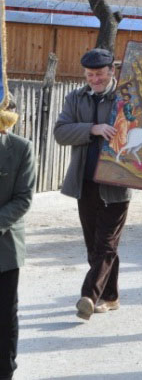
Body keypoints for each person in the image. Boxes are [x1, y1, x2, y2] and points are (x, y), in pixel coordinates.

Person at [54, 48, 131, 320]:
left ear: (112, 71)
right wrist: (92, 129)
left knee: (106, 244)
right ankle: (110, 296)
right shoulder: (75, 98)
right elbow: (60, 132)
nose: (95, 79)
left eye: (100, 74)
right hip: (84, 182)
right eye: (90, 75)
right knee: (94, 244)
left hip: (117, 182)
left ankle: (89, 296)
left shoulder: (126, 98)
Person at [0, 99, 35, 380]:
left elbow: (23, 198)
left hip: (4, 247)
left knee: (4, 315)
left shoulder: (21, 148)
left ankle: (5, 370)